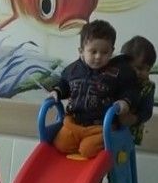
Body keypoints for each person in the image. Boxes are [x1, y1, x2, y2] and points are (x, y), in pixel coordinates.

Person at [49, 20, 141, 159]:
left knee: (88, 150)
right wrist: (56, 91)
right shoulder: (73, 70)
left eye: (104, 52)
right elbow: (64, 84)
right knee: (61, 144)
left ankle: (86, 145)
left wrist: (125, 102)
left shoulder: (118, 72)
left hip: (101, 127)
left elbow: (130, 89)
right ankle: (78, 143)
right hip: (74, 123)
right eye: (93, 52)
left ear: (112, 51)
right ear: (81, 51)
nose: (98, 57)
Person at [90, 35, 157, 183]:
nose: (141, 73)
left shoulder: (147, 87)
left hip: (125, 138)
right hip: (105, 135)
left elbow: (146, 111)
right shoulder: (116, 79)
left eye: (146, 69)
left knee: (116, 177)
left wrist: (133, 118)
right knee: (97, 173)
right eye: (136, 68)